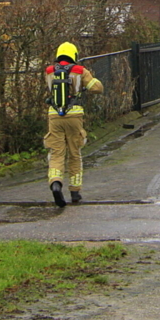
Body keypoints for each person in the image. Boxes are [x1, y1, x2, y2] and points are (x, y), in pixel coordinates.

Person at [44, 42, 103, 207]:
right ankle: (75, 192)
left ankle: (56, 183)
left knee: (56, 153)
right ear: (74, 55)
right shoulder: (79, 71)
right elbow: (97, 88)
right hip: (74, 114)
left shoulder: (49, 71)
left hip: (54, 115)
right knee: (74, 153)